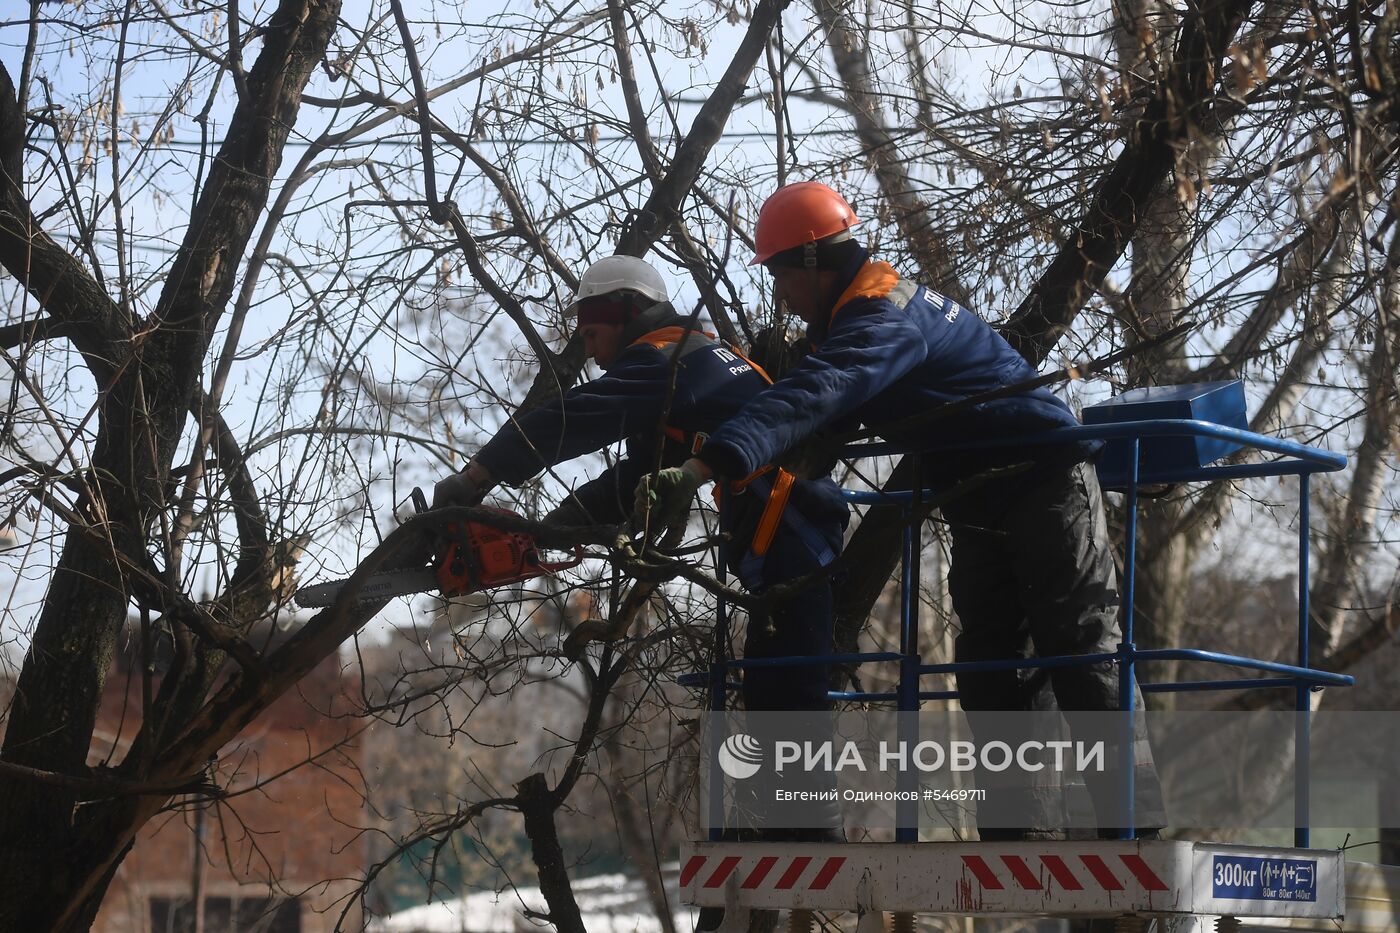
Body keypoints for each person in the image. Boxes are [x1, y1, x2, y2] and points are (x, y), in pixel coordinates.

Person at [639, 182, 1166, 840]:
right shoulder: (856, 320)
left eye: (779, 276)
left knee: (1082, 646)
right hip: (975, 495)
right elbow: (819, 403)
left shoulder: (881, 316)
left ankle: (1134, 825)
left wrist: (704, 464)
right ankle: (1018, 831)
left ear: (809, 263)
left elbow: (818, 392)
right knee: (993, 662)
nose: (780, 297)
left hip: (1046, 477)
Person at [432, 252, 848, 723]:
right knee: (778, 705)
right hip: (789, 538)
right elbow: (634, 479)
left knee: (786, 716)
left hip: (792, 536)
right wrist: (543, 535)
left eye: (591, 334)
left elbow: (567, 421)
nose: (590, 353)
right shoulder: (696, 358)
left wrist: (476, 475)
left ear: (628, 310)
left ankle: (797, 798)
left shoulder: (666, 363)